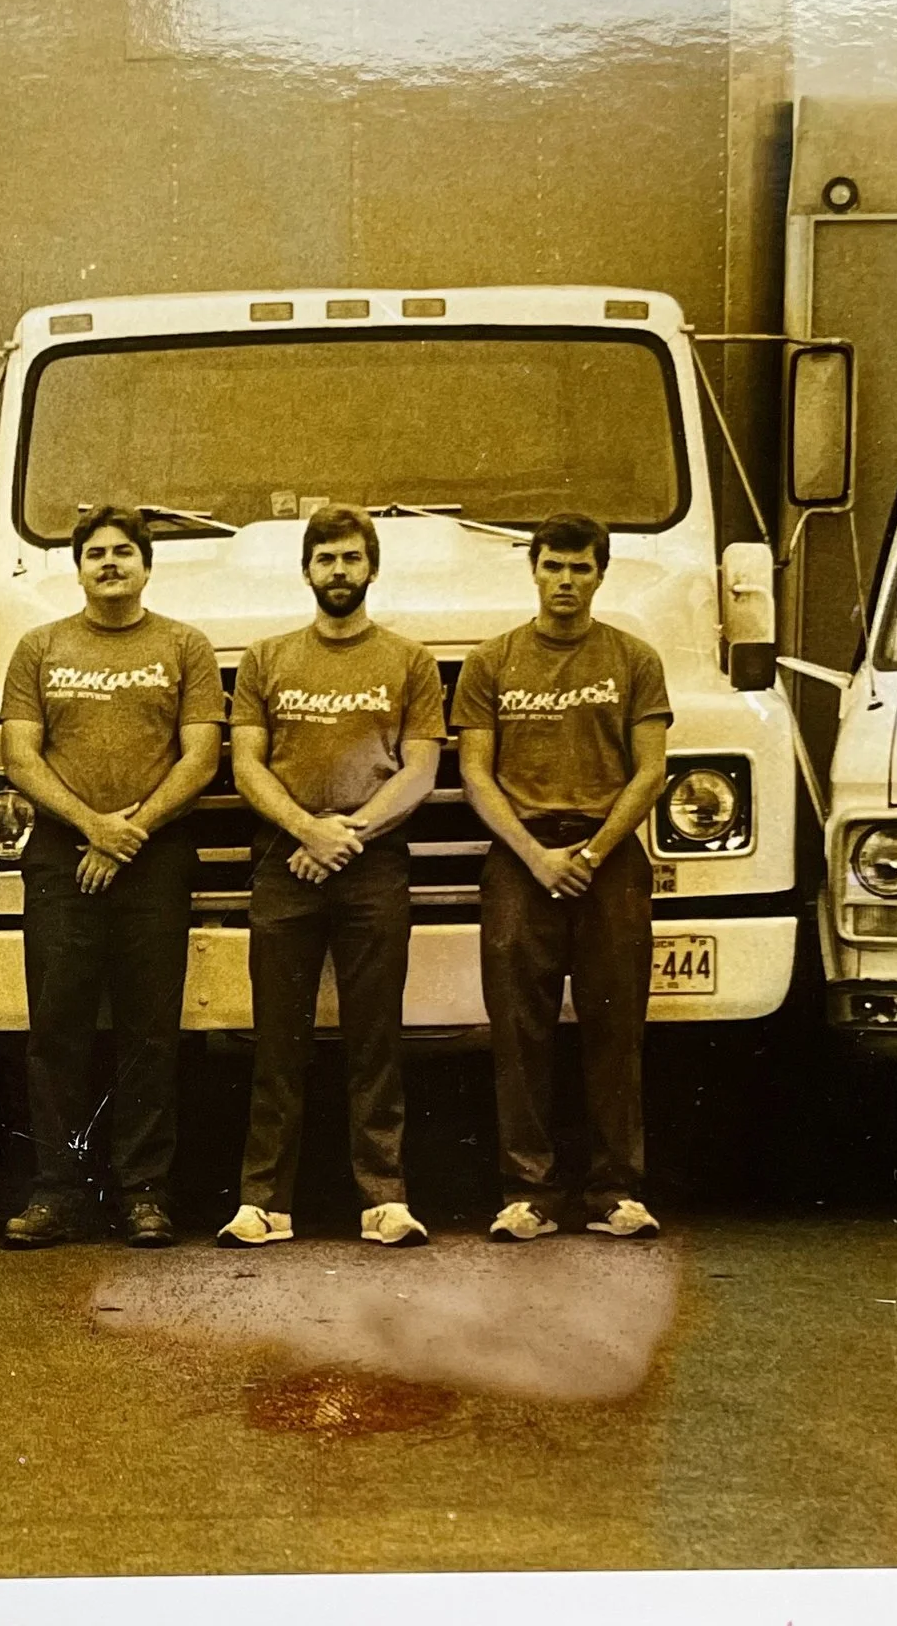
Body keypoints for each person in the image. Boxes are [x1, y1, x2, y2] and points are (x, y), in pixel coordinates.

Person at [219, 506, 444, 1249]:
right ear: (307, 570)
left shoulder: (409, 661)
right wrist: (306, 830)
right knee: (276, 1041)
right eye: (326, 559)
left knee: (374, 1037)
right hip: (285, 861)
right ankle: (264, 1203)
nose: (339, 572)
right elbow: (247, 762)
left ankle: (384, 1199)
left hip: (372, 864)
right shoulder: (266, 658)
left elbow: (421, 767)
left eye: (351, 559)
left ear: (371, 568)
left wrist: (347, 834)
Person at [0, 502, 223, 1247]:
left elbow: (200, 757)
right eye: (96, 552)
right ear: (79, 565)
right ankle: (55, 1192)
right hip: (64, 857)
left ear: (146, 564)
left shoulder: (185, 645)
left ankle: (145, 1194)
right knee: (56, 1029)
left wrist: (130, 830)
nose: (110, 564)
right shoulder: (40, 646)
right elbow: (21, 756)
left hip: (153, 855)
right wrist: (94, 826)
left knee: (149, 1031)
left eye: (124, 551)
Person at [453, 511, 672, 1241]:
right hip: (522, 860)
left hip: (608, 859)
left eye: (581, 568)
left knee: (616, 1024)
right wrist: (536, 854)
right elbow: (477, 775)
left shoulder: (634, 658)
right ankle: (530, 1192)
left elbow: (650, 771)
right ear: (535, 570)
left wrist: (596, 850)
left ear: (600, 574)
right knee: (520, 1029)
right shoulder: (492, 663)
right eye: (554, 566)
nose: (567, 581)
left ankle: (616, 1190)